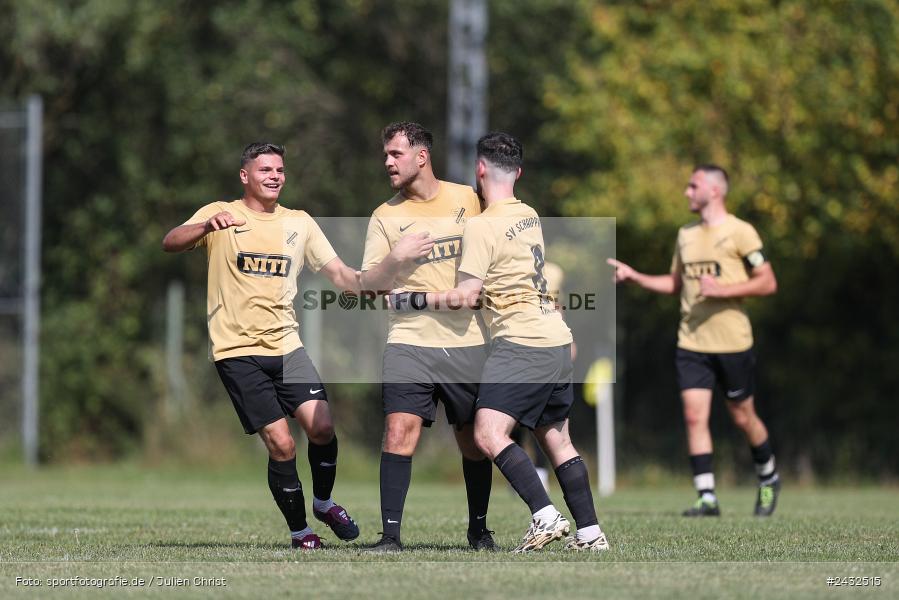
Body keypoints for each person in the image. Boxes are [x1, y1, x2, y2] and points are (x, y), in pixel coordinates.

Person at [162, 142, 432, 549]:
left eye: (280, 170)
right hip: (237, 352)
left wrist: (392, 263)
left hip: (287, 346)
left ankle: (323, 503)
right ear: (245, 176)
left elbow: (343, 277)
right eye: (265, 169)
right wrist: (204, 227)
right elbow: (170, 241)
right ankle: (300, 531)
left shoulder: (300, 223)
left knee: (322, 426)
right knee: (282, 443)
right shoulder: (220, 213)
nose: (274, 176)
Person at [392, 132, 610, 552]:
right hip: (555, 338)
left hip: (522, 341)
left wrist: (411, 298)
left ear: (479, 170)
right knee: (557, 438)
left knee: (488, 434)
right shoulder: (530, 215)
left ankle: (545, 517)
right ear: (519, 173)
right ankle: (590, 533)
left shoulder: (482, 225)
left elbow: (466, 296)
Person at [607, 164, 781, 517]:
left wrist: (723, 290)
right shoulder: (685, 234)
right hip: (692, 344)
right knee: (693, 417)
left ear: (715, 190)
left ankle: (768, 477)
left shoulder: (741, 232)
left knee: (743, 418)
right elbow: (676, 284)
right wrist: (636, 277)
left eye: (693, 185)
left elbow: (768, 282)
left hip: (732, 343)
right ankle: (707, 497)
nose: (687, 192)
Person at [360, 122, 495, 553]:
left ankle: (479, 530)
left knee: (474, 442)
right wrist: (395, 259)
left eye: (395, 154)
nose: (387, 162)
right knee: (399, 432)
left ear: (421, 156)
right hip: (409, 342)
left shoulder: (468, 200)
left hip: (467, 342)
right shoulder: (385, 216)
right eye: (385, 155)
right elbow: (371, 288)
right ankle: (390, 536)